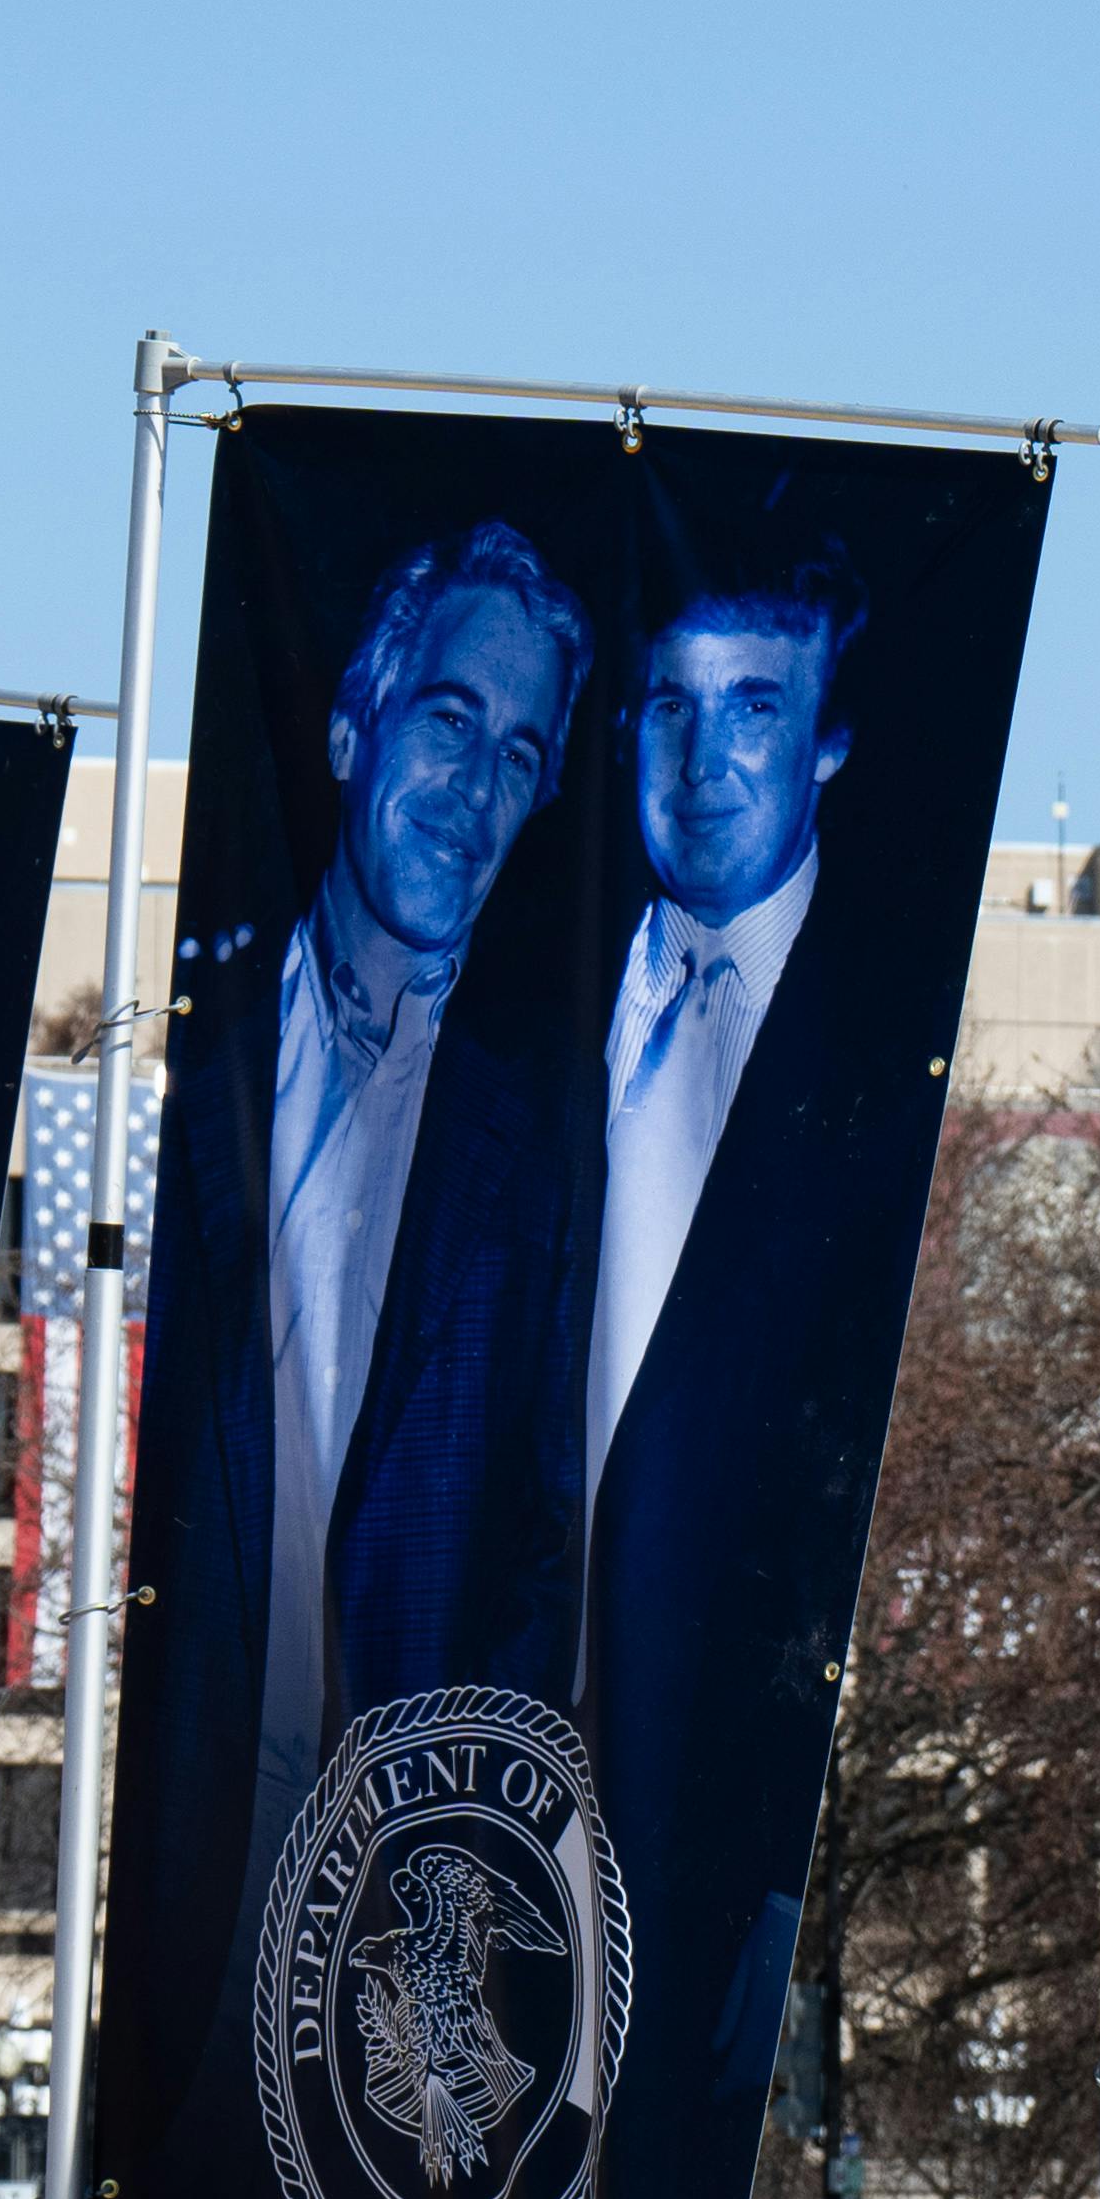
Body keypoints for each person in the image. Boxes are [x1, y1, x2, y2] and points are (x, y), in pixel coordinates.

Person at [248, 520, 590, 1771]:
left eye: (518, 754)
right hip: (162, 1808)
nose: (475, 789)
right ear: (353, 729)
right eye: (449, 720)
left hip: (382, 1867)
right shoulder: (198, 1057)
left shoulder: (547, 1141)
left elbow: (553, 1547)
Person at [589, 567, 857, 1477]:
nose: (701, 763)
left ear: (830, 742)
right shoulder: (523, 1009)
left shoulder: (894, 1047)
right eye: (672, 707)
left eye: (752, 708)